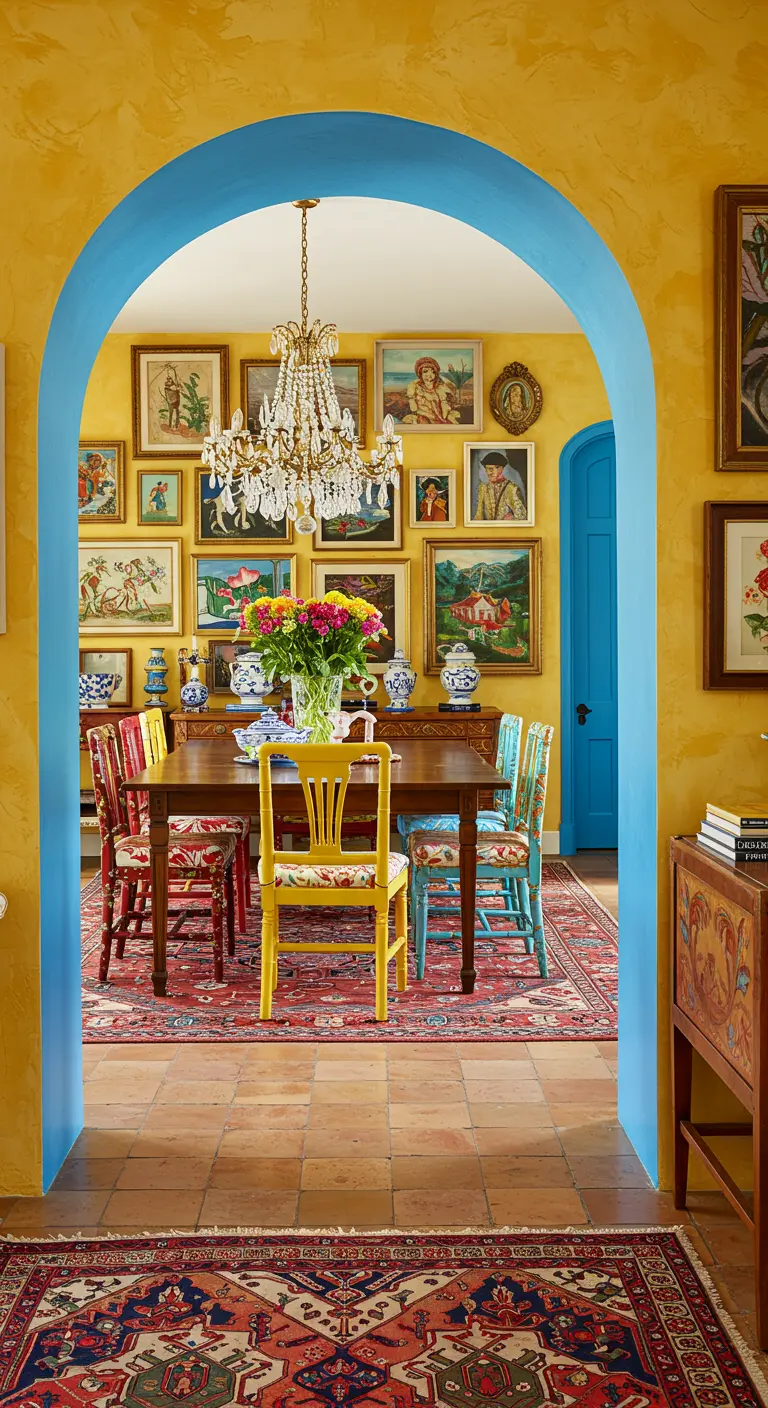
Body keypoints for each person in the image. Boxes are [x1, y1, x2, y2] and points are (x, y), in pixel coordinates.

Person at [403, 356, 459, 425]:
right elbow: (413, 407)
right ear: (420, 374)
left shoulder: (440, 387)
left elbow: (449, 401)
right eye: (425, 371)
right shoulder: (416, 388)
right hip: (423, 417)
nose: (429, 375)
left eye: (433, 372)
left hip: (441, 418)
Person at [473, 451, 527, 521]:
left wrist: (511, 518)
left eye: (491, 469)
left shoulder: (511, 488)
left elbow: (522, 516)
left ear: (500, 469)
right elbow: (479, 515)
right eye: (487, 469)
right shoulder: (483, 487)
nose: (489, 473)